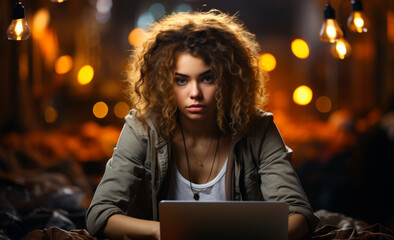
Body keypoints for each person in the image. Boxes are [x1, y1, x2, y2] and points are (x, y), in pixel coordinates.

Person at [86, 9, 319, 240]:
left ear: (229, 80)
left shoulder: (259, 129)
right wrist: (162, 231)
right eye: (181, 80)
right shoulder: (142, 129)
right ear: (163, 84)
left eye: (207, 78)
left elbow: (299, 214)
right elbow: (100, 214)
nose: (195, 93)